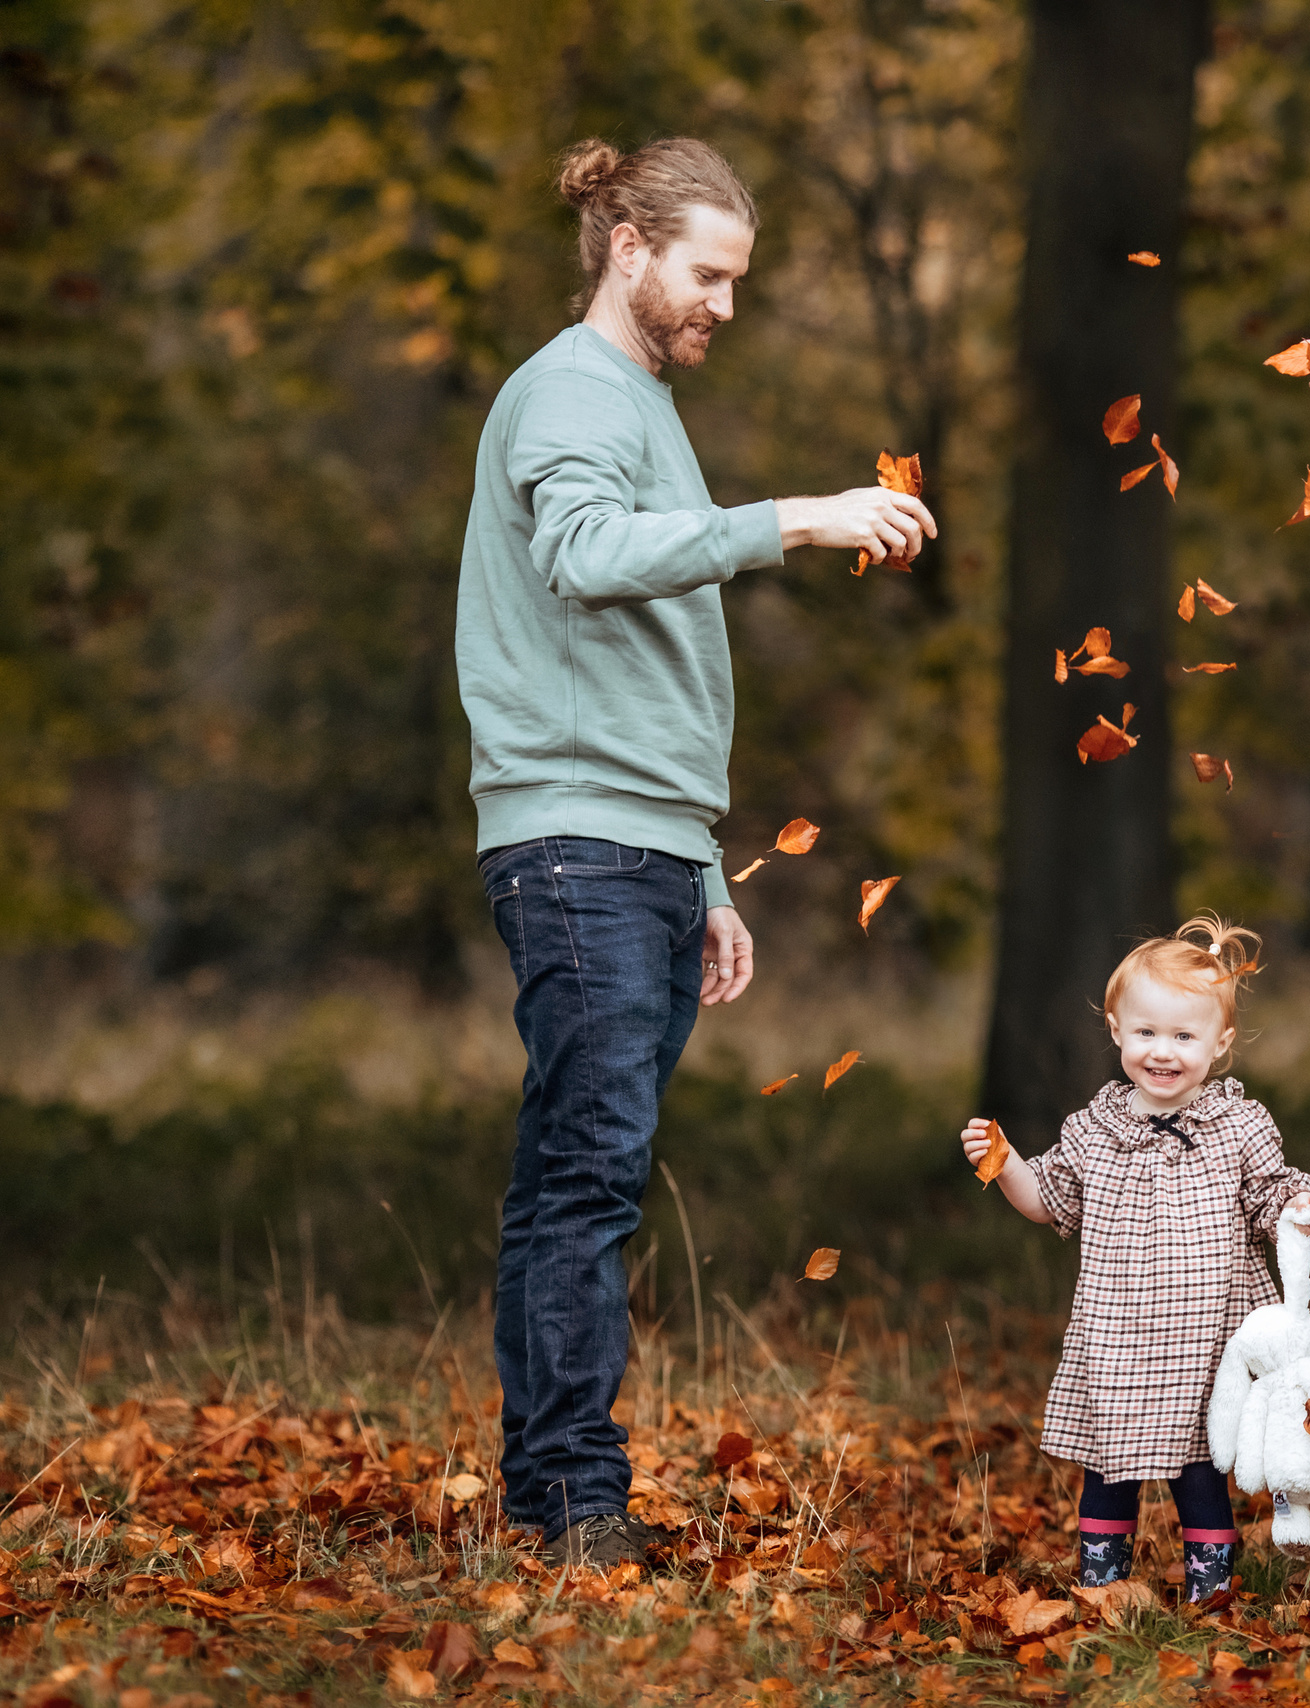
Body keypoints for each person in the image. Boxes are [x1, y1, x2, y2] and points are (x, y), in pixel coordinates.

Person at [457, 135, 938, 1569]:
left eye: (737, 278)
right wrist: (796, 516)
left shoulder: (641, 401)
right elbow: (588, 559)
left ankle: (560, 1499)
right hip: (571, 844)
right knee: (588, 1177)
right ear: (628, 249)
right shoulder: (569, 393)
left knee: (591, 1171)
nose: (725, 302)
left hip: (639, 848)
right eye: (708, 273)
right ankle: (569, 1509)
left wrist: (701, 863)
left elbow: (637, 657)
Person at [961, 917, 1310, 1602]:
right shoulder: (1093, 1131)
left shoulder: (1237, 1127)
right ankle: (1105, 1586)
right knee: (1110, 1468)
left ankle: (1209, 1590)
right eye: (1146, 1034)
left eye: (1184, 1037)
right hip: (1119, 1336)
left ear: (1219, 1044)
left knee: (1200, 1470)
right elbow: (1047, 1201)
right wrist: (1005, 1162)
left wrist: (1298, 1207)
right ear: (1116, 1031)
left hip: (1208, 1339)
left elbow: (1268, 1192)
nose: (1163, 1053)